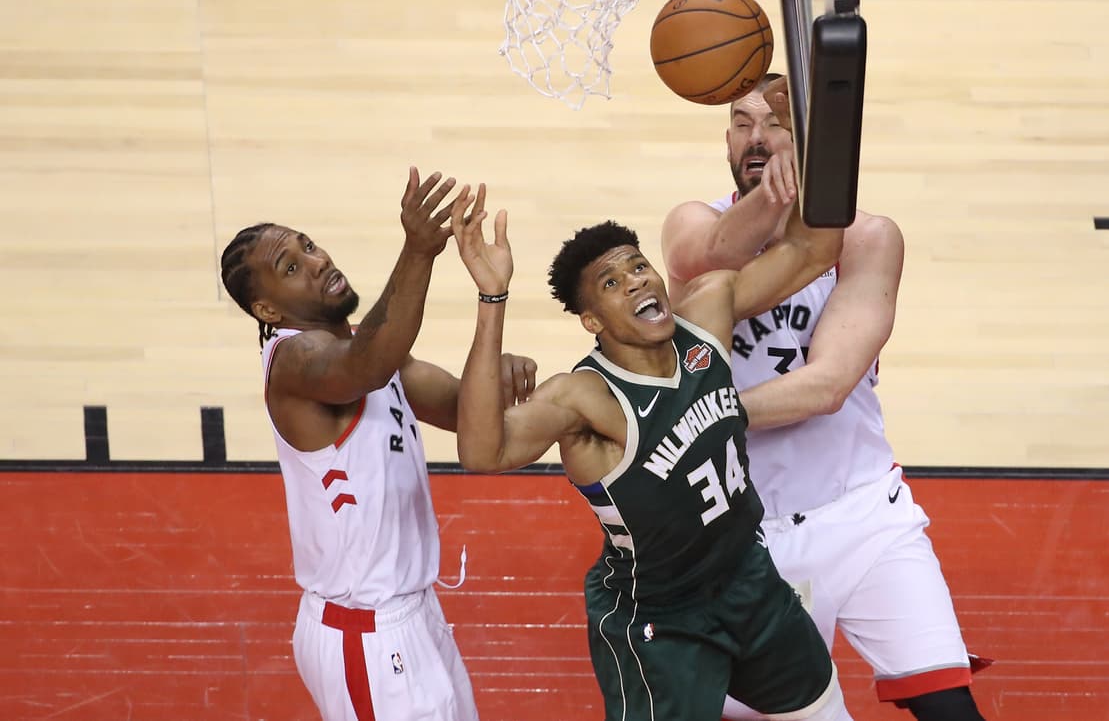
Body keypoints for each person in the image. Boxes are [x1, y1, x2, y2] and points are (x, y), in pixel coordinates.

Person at [446, 182, 853, 721]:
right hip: (662, 620)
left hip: (748, 579)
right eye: (611, 283)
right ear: (593, 321)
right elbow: (481, 451)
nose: (635, 282)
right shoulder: (585, 397)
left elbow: (815, 250)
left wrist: (811, 140)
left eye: (638, 267)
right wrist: (493, 298)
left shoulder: (706, 314)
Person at [660, 75, 987, 721]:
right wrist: (782, 190)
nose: (756, 139)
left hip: (864, 514)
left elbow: (828, 385)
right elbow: (714, 252)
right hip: (744, 536)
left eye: (774, 123)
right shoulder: (690, 224)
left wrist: (700, 416)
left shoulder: (870, 237)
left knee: (952, 710)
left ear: (808, 136)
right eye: (740, 122)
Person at [219, 168, 538, 721]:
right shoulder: (296, 365)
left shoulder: (371, 355)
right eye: (291, 268)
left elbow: (469, 414)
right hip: (363, 636)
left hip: (415, 617)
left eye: (309, 245)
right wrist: (418, 251)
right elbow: (366, 362)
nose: (318, 262)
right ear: (268, 311)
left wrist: (494, 321)